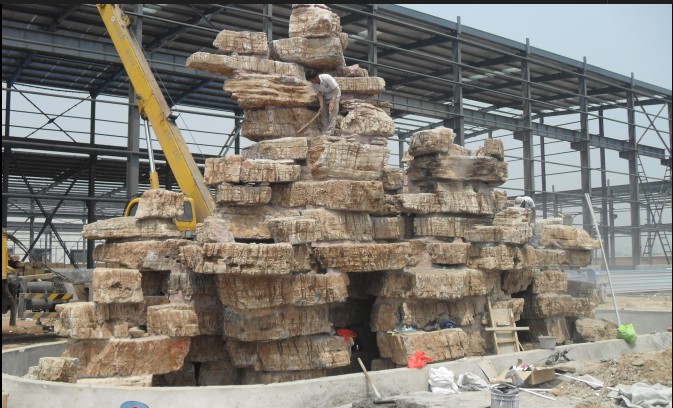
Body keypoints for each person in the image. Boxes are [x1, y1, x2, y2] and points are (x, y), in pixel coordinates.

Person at [306, 69, 341, 136]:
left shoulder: (326, 78)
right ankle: (324, 132)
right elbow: (319, 93)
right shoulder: (313, 84)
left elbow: (336, 89)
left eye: (311, 80)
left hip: (334, 94)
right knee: (323, 114)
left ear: (315, 77)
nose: (311, 82)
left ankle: (330, 133)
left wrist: (333, 102)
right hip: (325, 95)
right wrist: (321, 105)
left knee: (332, 113)